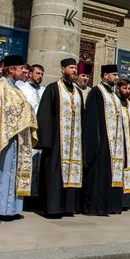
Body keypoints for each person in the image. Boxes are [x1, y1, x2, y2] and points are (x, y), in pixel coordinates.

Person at [0, 55, 37, 223]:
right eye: (21, 69)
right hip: (2, 135)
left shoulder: (17, 89)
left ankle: (8, 209)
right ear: (11, 69)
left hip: (16, 136)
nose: (24, 72)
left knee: (12, 172)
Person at [36, 58, 83, 217]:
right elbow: (44, 115)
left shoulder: (78, 92)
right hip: (57, 141)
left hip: (74, 142)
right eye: (71, 68)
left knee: (72, 172)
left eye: (75, 68)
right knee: (54, 174)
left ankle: (68, 207)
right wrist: (46, 140)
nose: (74, 71)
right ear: (63, 69)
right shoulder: (53, 88)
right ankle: (53, 207)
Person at [82, 64, 130, 215]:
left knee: (111, 175)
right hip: (101, 141)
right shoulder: (97, 92)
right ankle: (96, 207)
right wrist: (96, 141)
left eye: (117, 75)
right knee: (98, 175)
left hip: (114, 143)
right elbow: (92, 120)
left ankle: (110, 205)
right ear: (105, 75)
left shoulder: (113, 95)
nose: (117, 78)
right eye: (114, 75)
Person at [18, 64, 45, 201]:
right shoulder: (22, 89)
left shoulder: (45, 90)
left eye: (41, 74)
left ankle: (36, 195)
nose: (39, 76)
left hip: (40, 132)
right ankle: (24, 195)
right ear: (30, 74)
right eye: (37, 73)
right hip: (26, 130)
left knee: (39, 164)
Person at [115, 78, 130, 209]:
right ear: (118, 88)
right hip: (118, 142)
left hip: (129, 143)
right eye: (125, 88)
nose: (127, 91)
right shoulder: (115, 102)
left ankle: (126, 201)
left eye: (129, 88)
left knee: (127, 169)